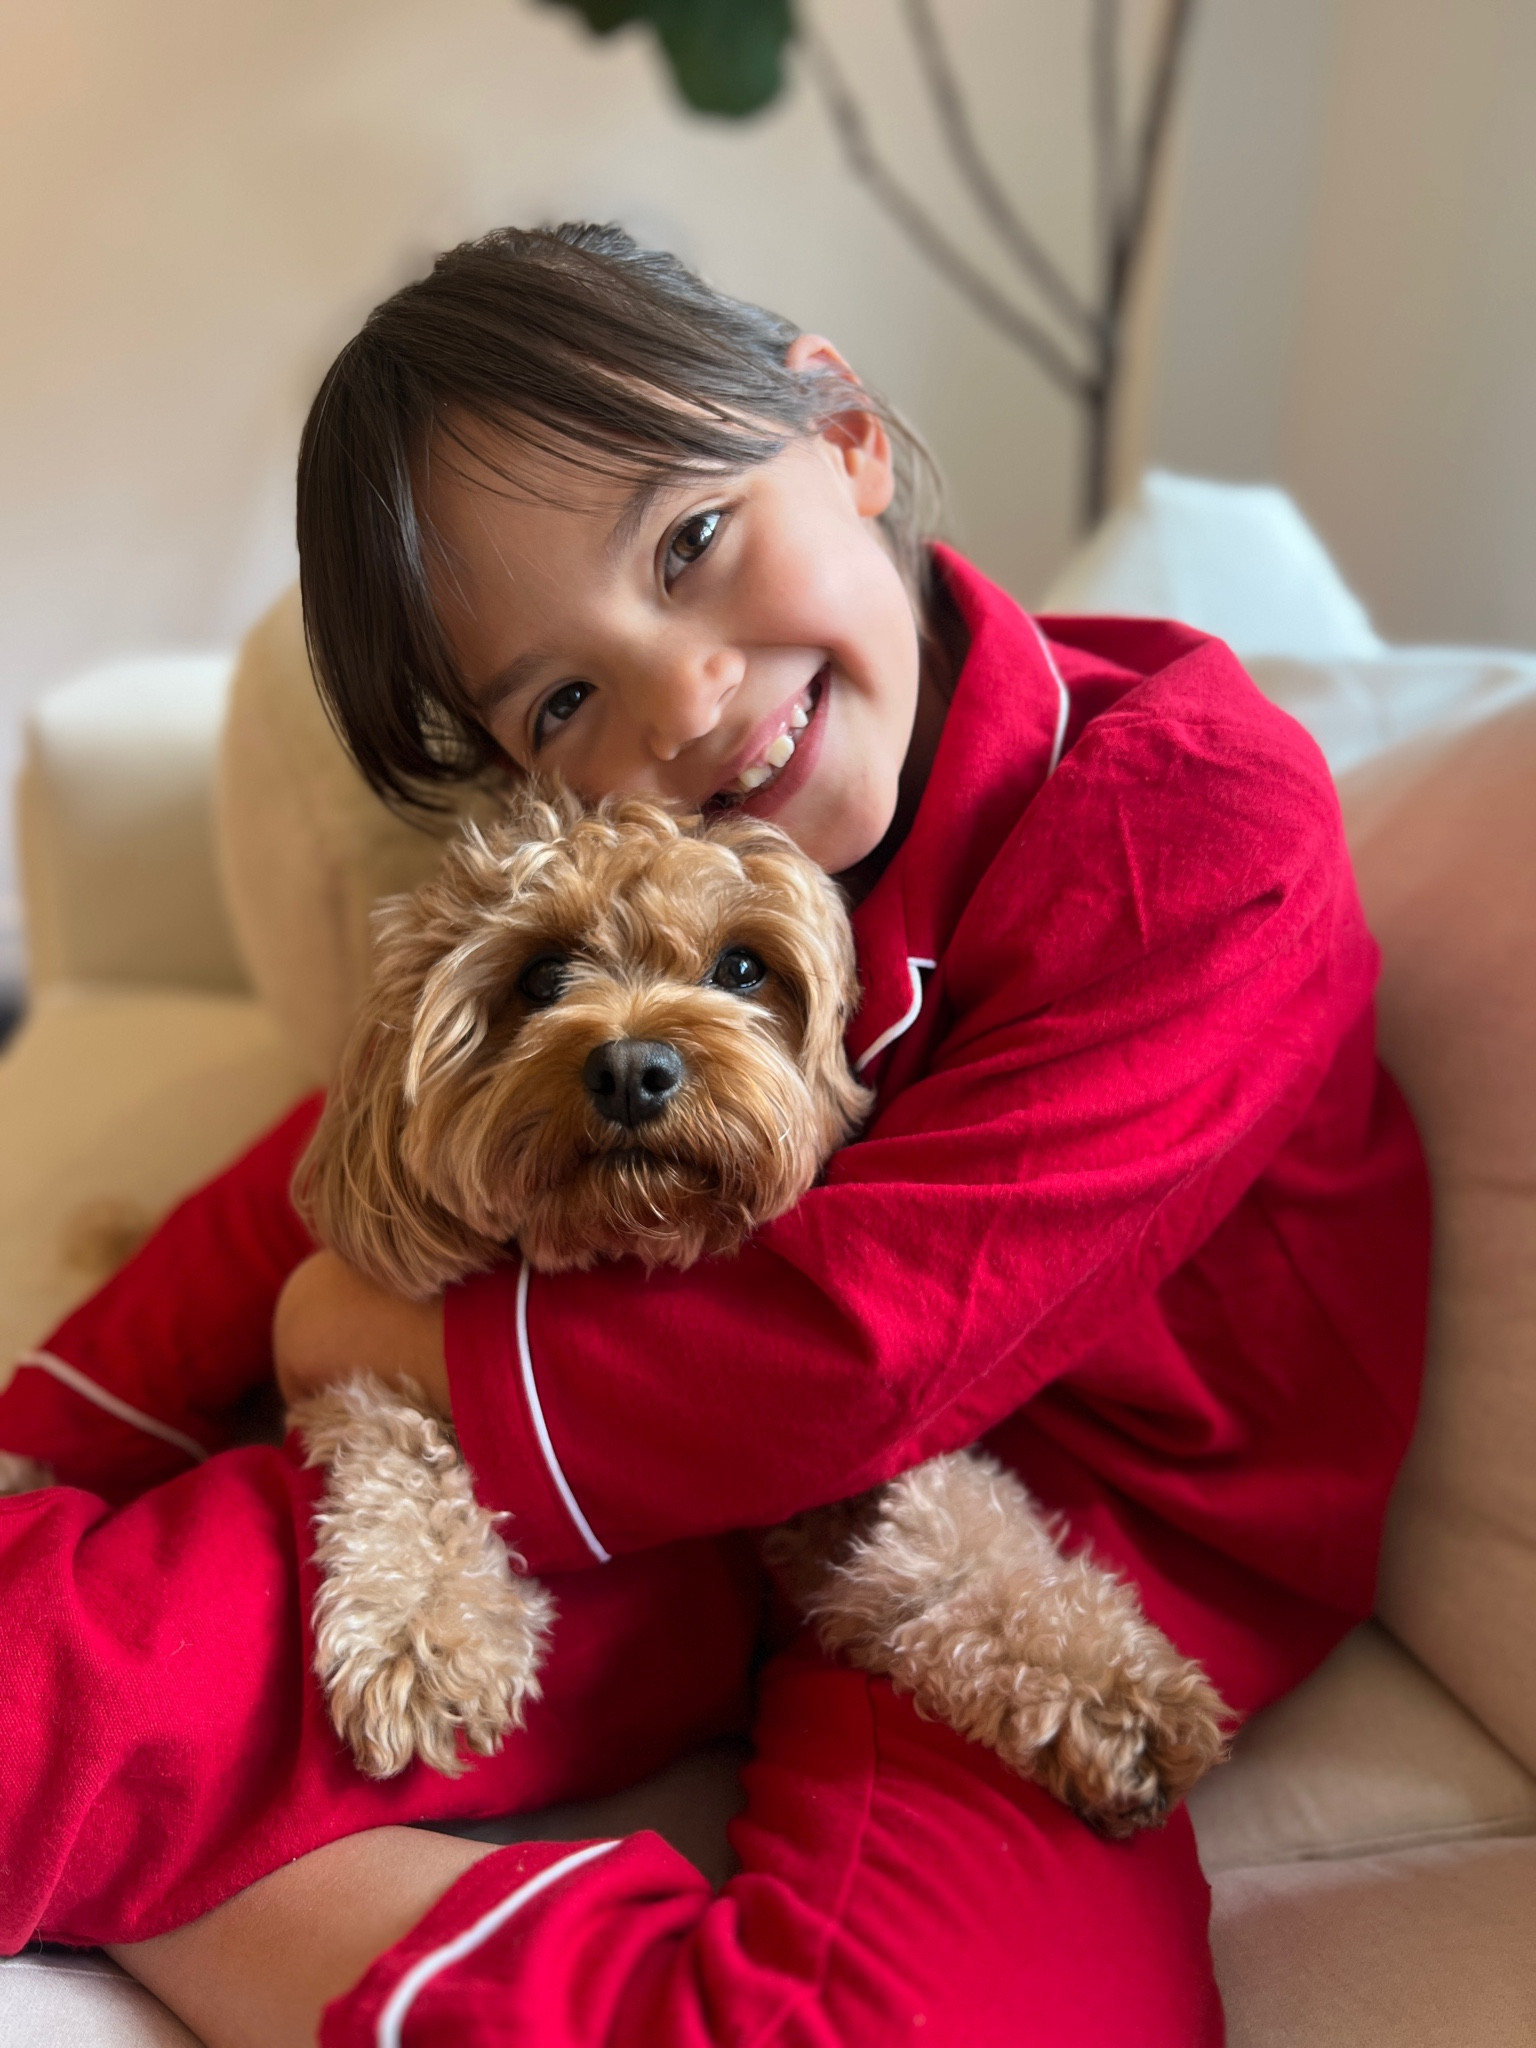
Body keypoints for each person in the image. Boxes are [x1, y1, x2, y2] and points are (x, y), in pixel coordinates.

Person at [0, 224, 1430, 2047]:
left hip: (1067, 1554)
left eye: (690, 543)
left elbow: (868, 1349)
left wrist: (374, 1335)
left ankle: (183, 1904)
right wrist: (60, 1439)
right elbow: (353, 1138)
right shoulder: (629, 911)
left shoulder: (1200, 827)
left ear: (840, 433)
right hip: (615, 1475)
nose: (687, 698)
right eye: (568, 700)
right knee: (70, 1695)